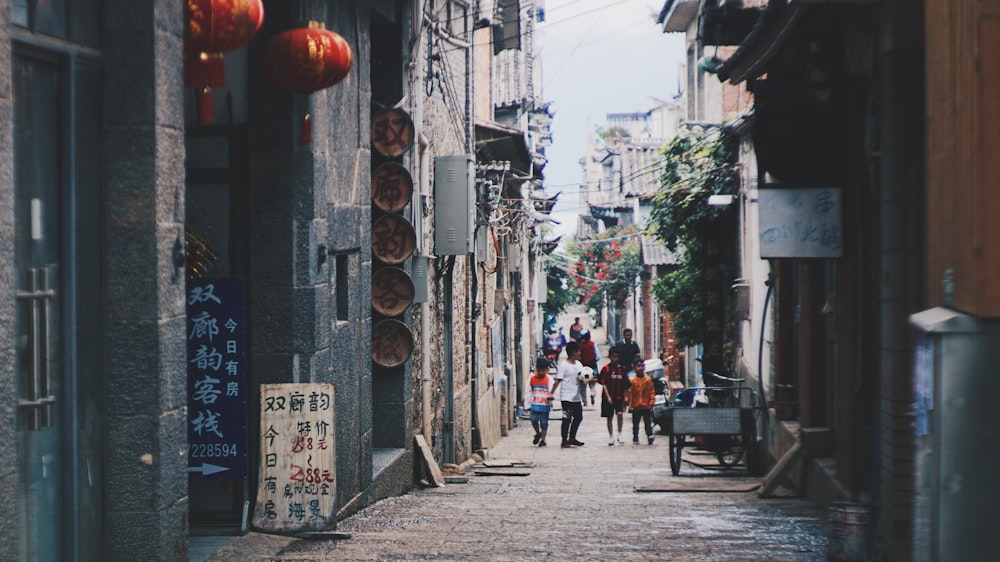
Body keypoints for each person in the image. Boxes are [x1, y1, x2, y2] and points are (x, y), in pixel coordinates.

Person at [548, 341, 585, 448]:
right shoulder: (563, 365)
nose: (579, 353)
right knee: (567, 418)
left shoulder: (579, 365)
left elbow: (582, 378)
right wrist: (551, 393)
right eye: (578, 351)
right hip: (566, 396)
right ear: (574, 352)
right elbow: (557, 381)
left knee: (578, 417)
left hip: (576, 397)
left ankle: (572, 437)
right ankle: (564, 440)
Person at [598, 346, 631, 446]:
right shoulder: (606, 369)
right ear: (610, 357)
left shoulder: (622, 369)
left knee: (620, 414)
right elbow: (603, 384)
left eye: (617, 357)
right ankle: (611, 436)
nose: (615, 359)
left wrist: (626, 397)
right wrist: (608, 397)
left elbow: (626, 384)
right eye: (613, 357)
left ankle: (620, 433)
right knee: (609, 417)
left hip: (619, 396)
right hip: (609, 397)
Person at [626, 358, 656, 445]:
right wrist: (627, 401)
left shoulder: (648, 380)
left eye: (642, 366)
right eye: (638, 366)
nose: (640, 368)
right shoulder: (632, 380)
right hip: (636, 405)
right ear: (634, 368)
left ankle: (649, 435)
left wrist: (652, 401)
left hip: (646, 405)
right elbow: (628, 391)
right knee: (635, 423)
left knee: (648, 422)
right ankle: (635, 437)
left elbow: (652, 391)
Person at [528, 357, 554, 447]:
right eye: (539, 371)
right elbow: (529, 391)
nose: (541, 373)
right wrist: (527, 403)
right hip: (535, 403)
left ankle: (543, 439)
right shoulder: (532, 379)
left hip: (545, 404)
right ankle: (538, 432)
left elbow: (552, 391)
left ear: (547, 370)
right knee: (533, 419)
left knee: (544, 422)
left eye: (543, 371)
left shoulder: (549, 379)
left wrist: (551, 398)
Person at [577, 330, 600, 405]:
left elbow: (578, 357)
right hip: (593, 368)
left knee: (583, 387)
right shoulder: (593, 344)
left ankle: (585, 401)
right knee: (592, 384)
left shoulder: (580, 346)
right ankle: (592, 394)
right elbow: (598, 357)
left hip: (583, 368)